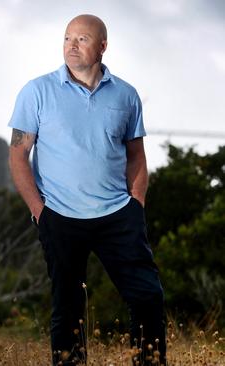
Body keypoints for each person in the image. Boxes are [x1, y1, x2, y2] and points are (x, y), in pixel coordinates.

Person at [8, 14, 166, 365]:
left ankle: (150, 362)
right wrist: (40, 211)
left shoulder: (126, 95)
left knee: (147, 298)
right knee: (68, 308)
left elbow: (136, 156)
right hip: (60, 217)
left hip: (117, 216)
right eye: (67, 38)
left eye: (82, 38)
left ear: (102, 46)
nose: (71, 45)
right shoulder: (36, 91)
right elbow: (18, 155)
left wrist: (136, 204)